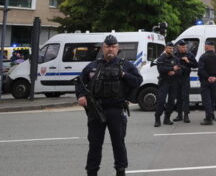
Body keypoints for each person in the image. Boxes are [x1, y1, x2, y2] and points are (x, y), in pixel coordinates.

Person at [75, 34, 142, 176]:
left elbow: (138, 81)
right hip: (96, 110)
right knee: (94, 144)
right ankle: (92, 172)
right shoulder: (93, 66)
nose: (110, 49)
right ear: (102, 48)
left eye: (113, 47)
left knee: (118, 143)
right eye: (107, 47)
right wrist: (80, 96)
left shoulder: (125, 65)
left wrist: (124, 75)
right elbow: (79, 81)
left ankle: (120, 171)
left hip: (116, 110)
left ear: (117, 48)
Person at [198, 40, 216, 125]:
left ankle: (209, 118)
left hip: (205, 82)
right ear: (213, 47)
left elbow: (200, 70)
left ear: (207, 47)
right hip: (215, 82)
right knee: (215, 98)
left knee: (207, 100)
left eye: (205, 45)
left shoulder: (203, 57)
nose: (204, 47)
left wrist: (208, 77)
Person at [154, 42, 181, 127]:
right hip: (164, 82)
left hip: (173, 82)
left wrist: (174, 72)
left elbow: (180, 70)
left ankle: (167, 118)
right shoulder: (161, 58)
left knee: (171, 101)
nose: (171, 50)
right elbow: (161, 69)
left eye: (172, 48)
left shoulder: (175, 59)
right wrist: (171, 69)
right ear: (165, 48)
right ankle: (157, 119)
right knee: (161, 101)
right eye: (169, 48)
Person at [172, 39, 198, 123]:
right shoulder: (175, 55)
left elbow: (195, 65)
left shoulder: (189, 55)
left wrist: (188, 61)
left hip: (185, 78)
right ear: (178, 47)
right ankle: (179, 115)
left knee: (185, 97)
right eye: (182, 47)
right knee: (178, 97)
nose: (184, 48)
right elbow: (171, 64)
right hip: (176, 78)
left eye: (185, 47)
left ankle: (186, 115)